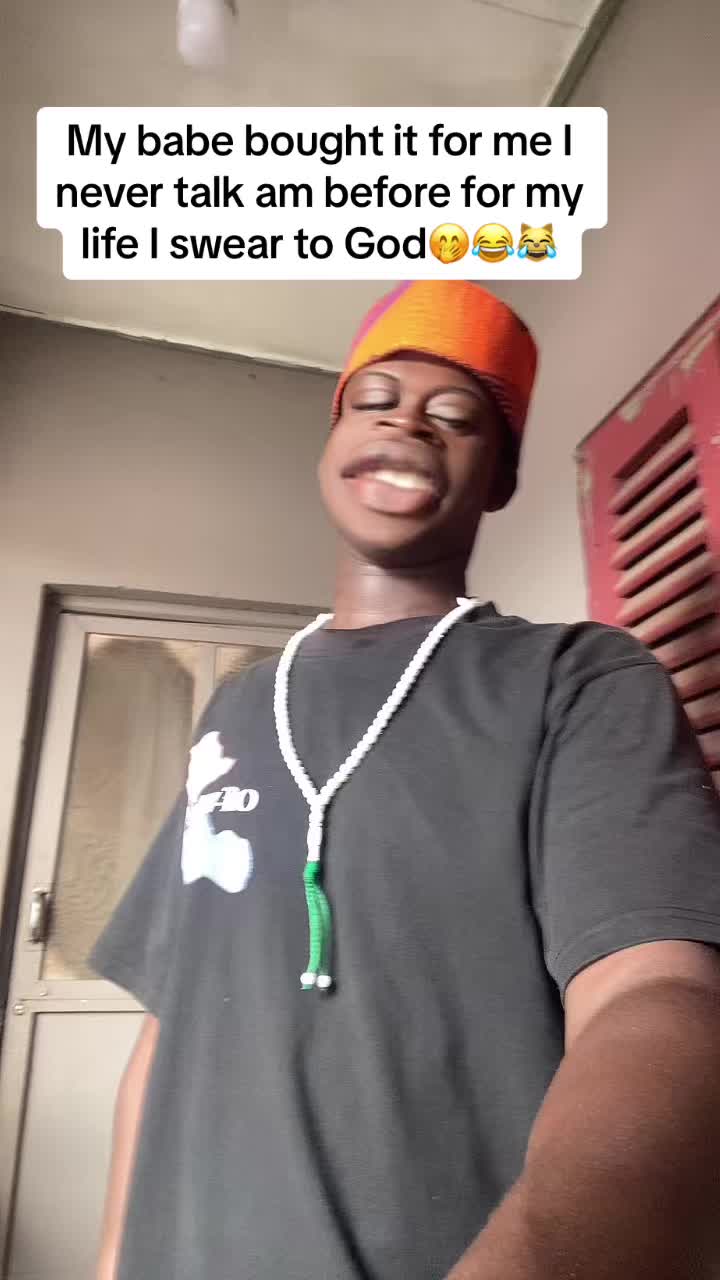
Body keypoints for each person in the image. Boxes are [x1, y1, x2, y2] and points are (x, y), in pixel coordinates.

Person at [93, 280, 720, 1280]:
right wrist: (112, 1258)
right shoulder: (240, 707)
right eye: (374, 399)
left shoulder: (578, 679)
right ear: (332, 441)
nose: (407, 423)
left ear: (499, 476)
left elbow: (655, 994)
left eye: (457, 416)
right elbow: (168, 1024)